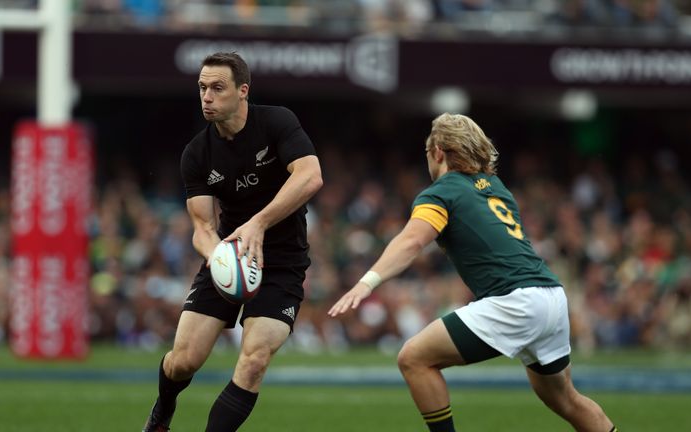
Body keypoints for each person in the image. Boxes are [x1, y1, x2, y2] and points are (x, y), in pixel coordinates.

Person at [329, 113, 616, 432]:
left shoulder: (441, 192)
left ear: (437, 151)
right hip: (551, 295)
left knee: (413, 358)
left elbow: (412, 241)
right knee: (565, 399)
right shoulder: (496, 187)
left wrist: (367, 282)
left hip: (516, 301)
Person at [143, 51, 323, 432]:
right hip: (230, 258)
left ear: (243, 91)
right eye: (202, 88)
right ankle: (164, 409)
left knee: (254, 360)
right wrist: (219, 257)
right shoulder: (196, 153)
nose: (207, 96)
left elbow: (310, 176)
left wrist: (259, 222)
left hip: (282, 264)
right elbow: (203, 228)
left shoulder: (277, 122)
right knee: (183, 361)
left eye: (217, 88)